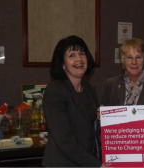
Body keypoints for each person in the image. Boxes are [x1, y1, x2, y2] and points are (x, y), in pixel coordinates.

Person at [42, 35, 106, 168]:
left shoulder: (87, 88)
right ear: (62, 64)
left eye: (82, 53)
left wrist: (102, 118)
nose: (79, 59)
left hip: (86, 162)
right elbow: (65, 141)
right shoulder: (55, 91)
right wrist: (98, 165)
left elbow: (88, 129)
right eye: (71, 55)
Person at [100, 38, 144, 106]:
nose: (134, 62)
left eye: (138, 57)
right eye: (129, 57)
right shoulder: (109, 86)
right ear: (123, 60)